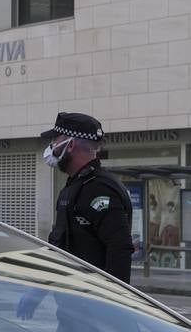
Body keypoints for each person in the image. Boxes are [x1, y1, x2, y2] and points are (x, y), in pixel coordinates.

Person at [40, 112, 133, 282]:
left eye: (56, 140)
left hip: (90, 301)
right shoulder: (75, 185)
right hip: (71, 299)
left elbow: (119, 248)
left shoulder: (99, 188)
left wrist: (111, 302)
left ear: (70, 145)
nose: (52, 146)